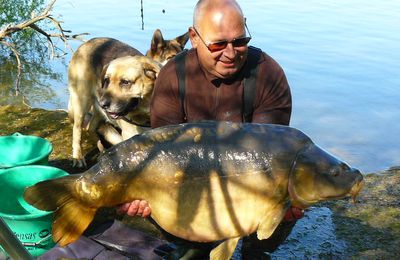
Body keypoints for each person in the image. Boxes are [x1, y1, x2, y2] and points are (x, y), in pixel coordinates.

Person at [118, 0, 303, 258]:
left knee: (285, 198)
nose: (230, 53)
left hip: (251, 185)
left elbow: (271, 159)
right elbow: (163, 157)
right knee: (176, 227)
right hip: (188, 182)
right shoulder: (173, 76)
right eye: (218, 44)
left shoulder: (267, 74)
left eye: (240, 42)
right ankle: (193, 244)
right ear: (194, 38)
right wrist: (141, 192)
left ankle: (255, 247)